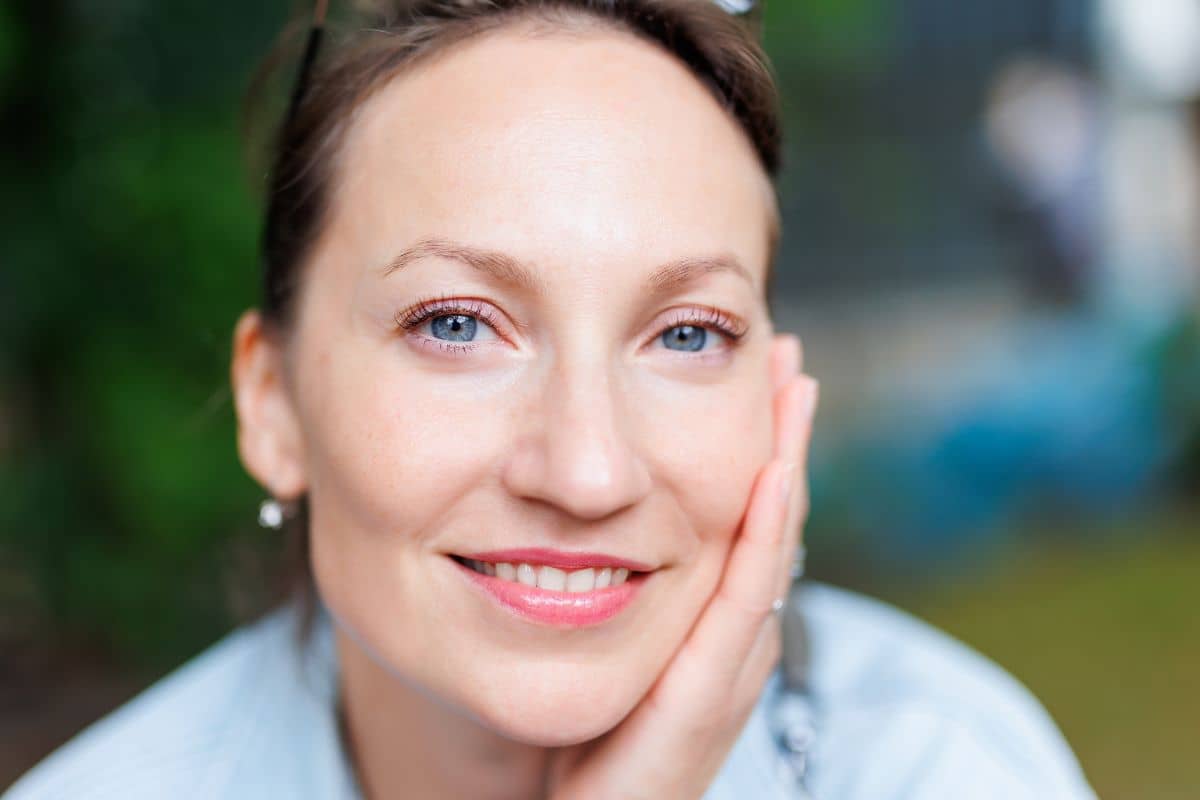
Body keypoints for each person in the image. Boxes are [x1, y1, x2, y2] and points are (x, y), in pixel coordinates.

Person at [3, 1, 1099, 798]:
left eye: (686, 333)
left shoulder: (941, 767)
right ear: (272, 401)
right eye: (455, 324)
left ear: (778, 394)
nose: (586, 471)